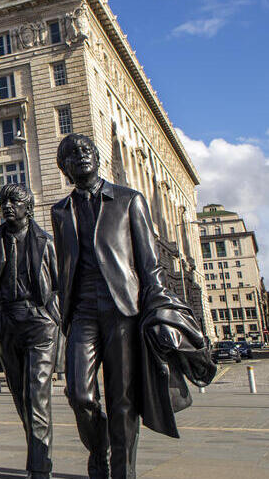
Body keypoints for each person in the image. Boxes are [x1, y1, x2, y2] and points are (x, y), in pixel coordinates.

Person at [51, 134, 212, 478]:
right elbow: (65, 267)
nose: (81, 155)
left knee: (122, 401)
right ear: (64, 167)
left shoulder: (128, 200)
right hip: (82, 312)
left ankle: (123, 472)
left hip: (123, 310)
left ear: (97, 158)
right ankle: (99, 451)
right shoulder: (60, 212)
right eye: (72, 154)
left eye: (86, 150)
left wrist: (159, 310)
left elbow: (149, 264)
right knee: (79, 394)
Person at [0, 183, 60, 479]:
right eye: (4, 201)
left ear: (29, 207)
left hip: (40, 323)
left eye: (14, 201)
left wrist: (53, 317)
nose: (8, 206)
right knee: (21, 397)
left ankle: (40, 468)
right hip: (7, 324)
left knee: (37, 395)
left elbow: (60, 285)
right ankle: (37, 455)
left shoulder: (46, 242)